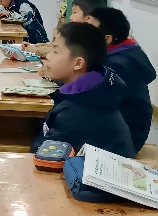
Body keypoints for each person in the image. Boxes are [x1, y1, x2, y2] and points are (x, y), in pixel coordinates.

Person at [30, 22, 135, 157]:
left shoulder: (78, 112)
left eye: (55, 51)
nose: (49, 56)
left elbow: (43, 158)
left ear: (78, 63)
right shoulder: (94, 90)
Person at [87, 7, 156, 153]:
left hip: (123, 140)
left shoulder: (119, 65)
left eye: (89, 31)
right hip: (117, 130)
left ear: (107, 39)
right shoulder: (122, 52)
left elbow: (89, 96)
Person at [22, 0, 104, 58]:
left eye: (74, 12)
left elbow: (60, 52)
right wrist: (33, 46)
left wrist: (34, 50)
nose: (70, 17)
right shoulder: (77, 33)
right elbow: (55, 44)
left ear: (88, 18)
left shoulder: (88, 38)